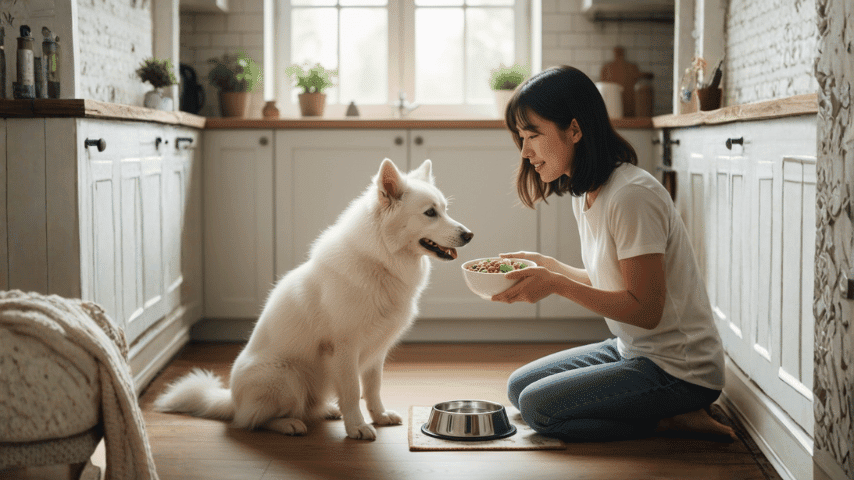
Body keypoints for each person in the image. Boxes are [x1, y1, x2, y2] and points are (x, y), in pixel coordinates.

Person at [494, 65, 736, 442]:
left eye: (533, 135)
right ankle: (661, 411)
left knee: (537, 408)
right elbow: (612, 281)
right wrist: (549, 267)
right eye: (521, 138)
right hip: (632, 350)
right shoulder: (585, 191)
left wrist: (556, 284)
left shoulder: (630, 196)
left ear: (575, 130)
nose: (525, 152)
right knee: (518, 388)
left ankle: (672, 417)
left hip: (680, 371)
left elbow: (645, 310)